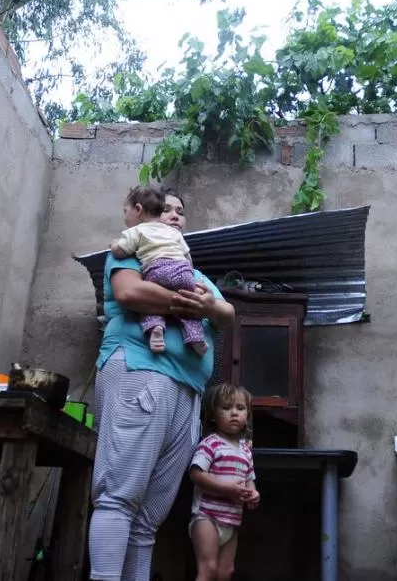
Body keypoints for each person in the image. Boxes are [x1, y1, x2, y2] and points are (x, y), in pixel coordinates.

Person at [88, 188, 236, 581]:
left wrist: (208, 306)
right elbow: (130, 292)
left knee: (149, 517)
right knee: (118, 498)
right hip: (141, 371)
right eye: (163, 209)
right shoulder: (128, 254)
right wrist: (190, 305)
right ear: (141, 215)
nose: (173, 216)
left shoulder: (196, 274)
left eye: (179, 212)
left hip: (186, 391)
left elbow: (225, 314)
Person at [110, 186, 208, 356]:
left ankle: (155, 328)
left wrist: (113, 245)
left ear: (138, 209)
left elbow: (121, 251)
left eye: (125, 211)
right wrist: (191, 281)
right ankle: (196, 337)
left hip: (157, 271)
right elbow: (187, 257)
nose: (124, 216)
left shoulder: (136, 230)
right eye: (166, 210)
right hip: (183, 272)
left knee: (150, 304)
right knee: (192, 307)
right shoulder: (173, 233)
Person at [188, 383, 259, 581]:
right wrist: (226, 489)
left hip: (232, 520)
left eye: (240, 408)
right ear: (213, 416)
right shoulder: (211, 443)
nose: (234, 413)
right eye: (226, 409)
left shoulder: (245, 450)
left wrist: (253, 494)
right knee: (208, 569)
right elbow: (196, 474)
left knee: (225, 573)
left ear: (247, 414)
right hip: (207, 517)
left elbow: (249, 478)